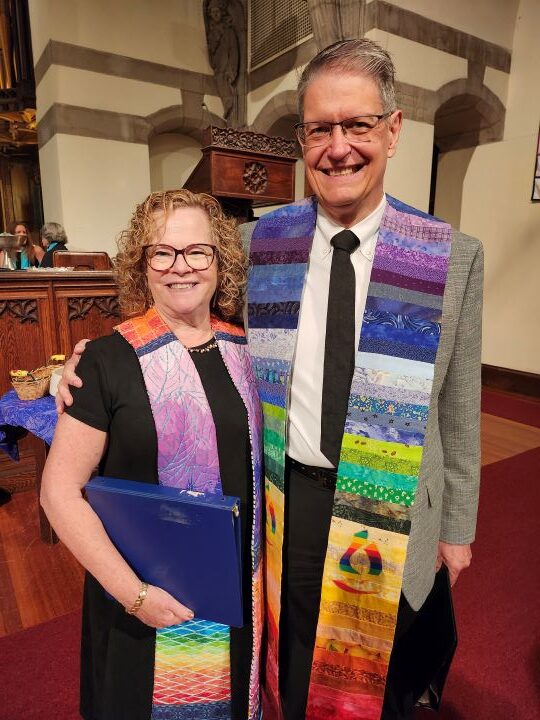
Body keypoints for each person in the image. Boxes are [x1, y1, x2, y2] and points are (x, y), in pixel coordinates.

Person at [58, 39, 483, 720]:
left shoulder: (449, 256)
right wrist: (84, 356)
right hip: (290, 500)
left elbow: (461, 407)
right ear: (301, 138)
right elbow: (183, 309)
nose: (339, 146)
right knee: (287, 667)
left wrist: (457, 528)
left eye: (358, 125)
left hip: (400, 509)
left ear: (393, 129)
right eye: (321, 129)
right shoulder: (265, 244)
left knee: (387, 685)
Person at [42, 190, 264, 720]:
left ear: (221, 261)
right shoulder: (104, 361)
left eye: (197, 252)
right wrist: (134, 594)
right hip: (139, 599)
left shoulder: (247, 352)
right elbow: (58, 490)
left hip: (235, 593)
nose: (180, 267)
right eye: (162, 252)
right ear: (142, 266)